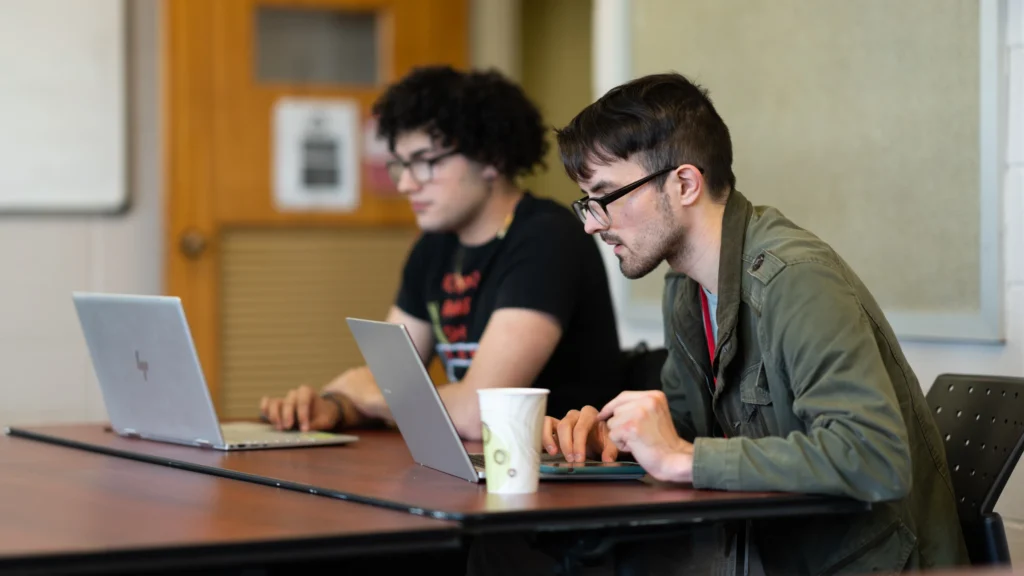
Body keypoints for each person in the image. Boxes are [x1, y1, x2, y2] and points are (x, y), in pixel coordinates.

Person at [526, 72, 968, 573]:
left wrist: (682, 459)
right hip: (770, 554)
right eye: (587, 202)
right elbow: (688, 427)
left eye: (604, 197)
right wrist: (615, 438)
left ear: (685, 183)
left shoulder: (795, 280)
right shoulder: (686, 288)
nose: (591, 223)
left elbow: (874, 455)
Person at [259, 65, 623, 441]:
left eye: (426, 162)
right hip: (476, 468)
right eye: (401, 164)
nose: (406, 183)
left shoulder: (547, 237)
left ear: (491, 157)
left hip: (563, 473)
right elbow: (388, 381)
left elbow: (478, 412)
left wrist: (367, 391)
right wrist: (334, 407)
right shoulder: (434, 247)